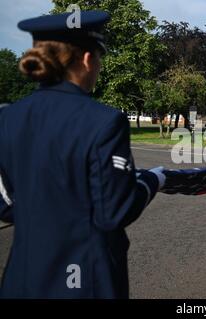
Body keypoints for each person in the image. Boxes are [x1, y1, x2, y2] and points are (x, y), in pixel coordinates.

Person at [0, 10, 166, 298]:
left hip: (23, 277)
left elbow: (4, 203)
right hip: (84, 278)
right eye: (99, 58)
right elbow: (114, 211)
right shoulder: (104, 121)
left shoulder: (7, 117)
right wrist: (153, 180)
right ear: (87, 59)